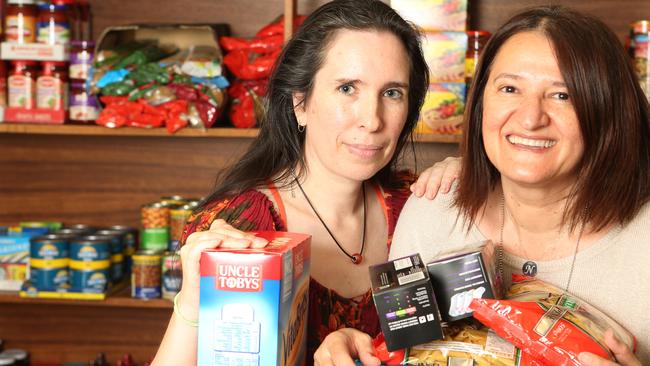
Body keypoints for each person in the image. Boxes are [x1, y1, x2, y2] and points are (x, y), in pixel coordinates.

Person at [315, 5, 650, 366]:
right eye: (509, 88)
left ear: (609, 112)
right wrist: (358, 350)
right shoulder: (432, 212)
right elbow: (404, 349)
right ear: (480, 106)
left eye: (562, 95)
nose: (530, 117)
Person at [151, 1, 462, 365]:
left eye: (392, 93)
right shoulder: (241, 224)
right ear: (300, 101)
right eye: (347, 88)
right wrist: (190, 306)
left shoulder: (416, 203)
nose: (372, 120)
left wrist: (474, 179)